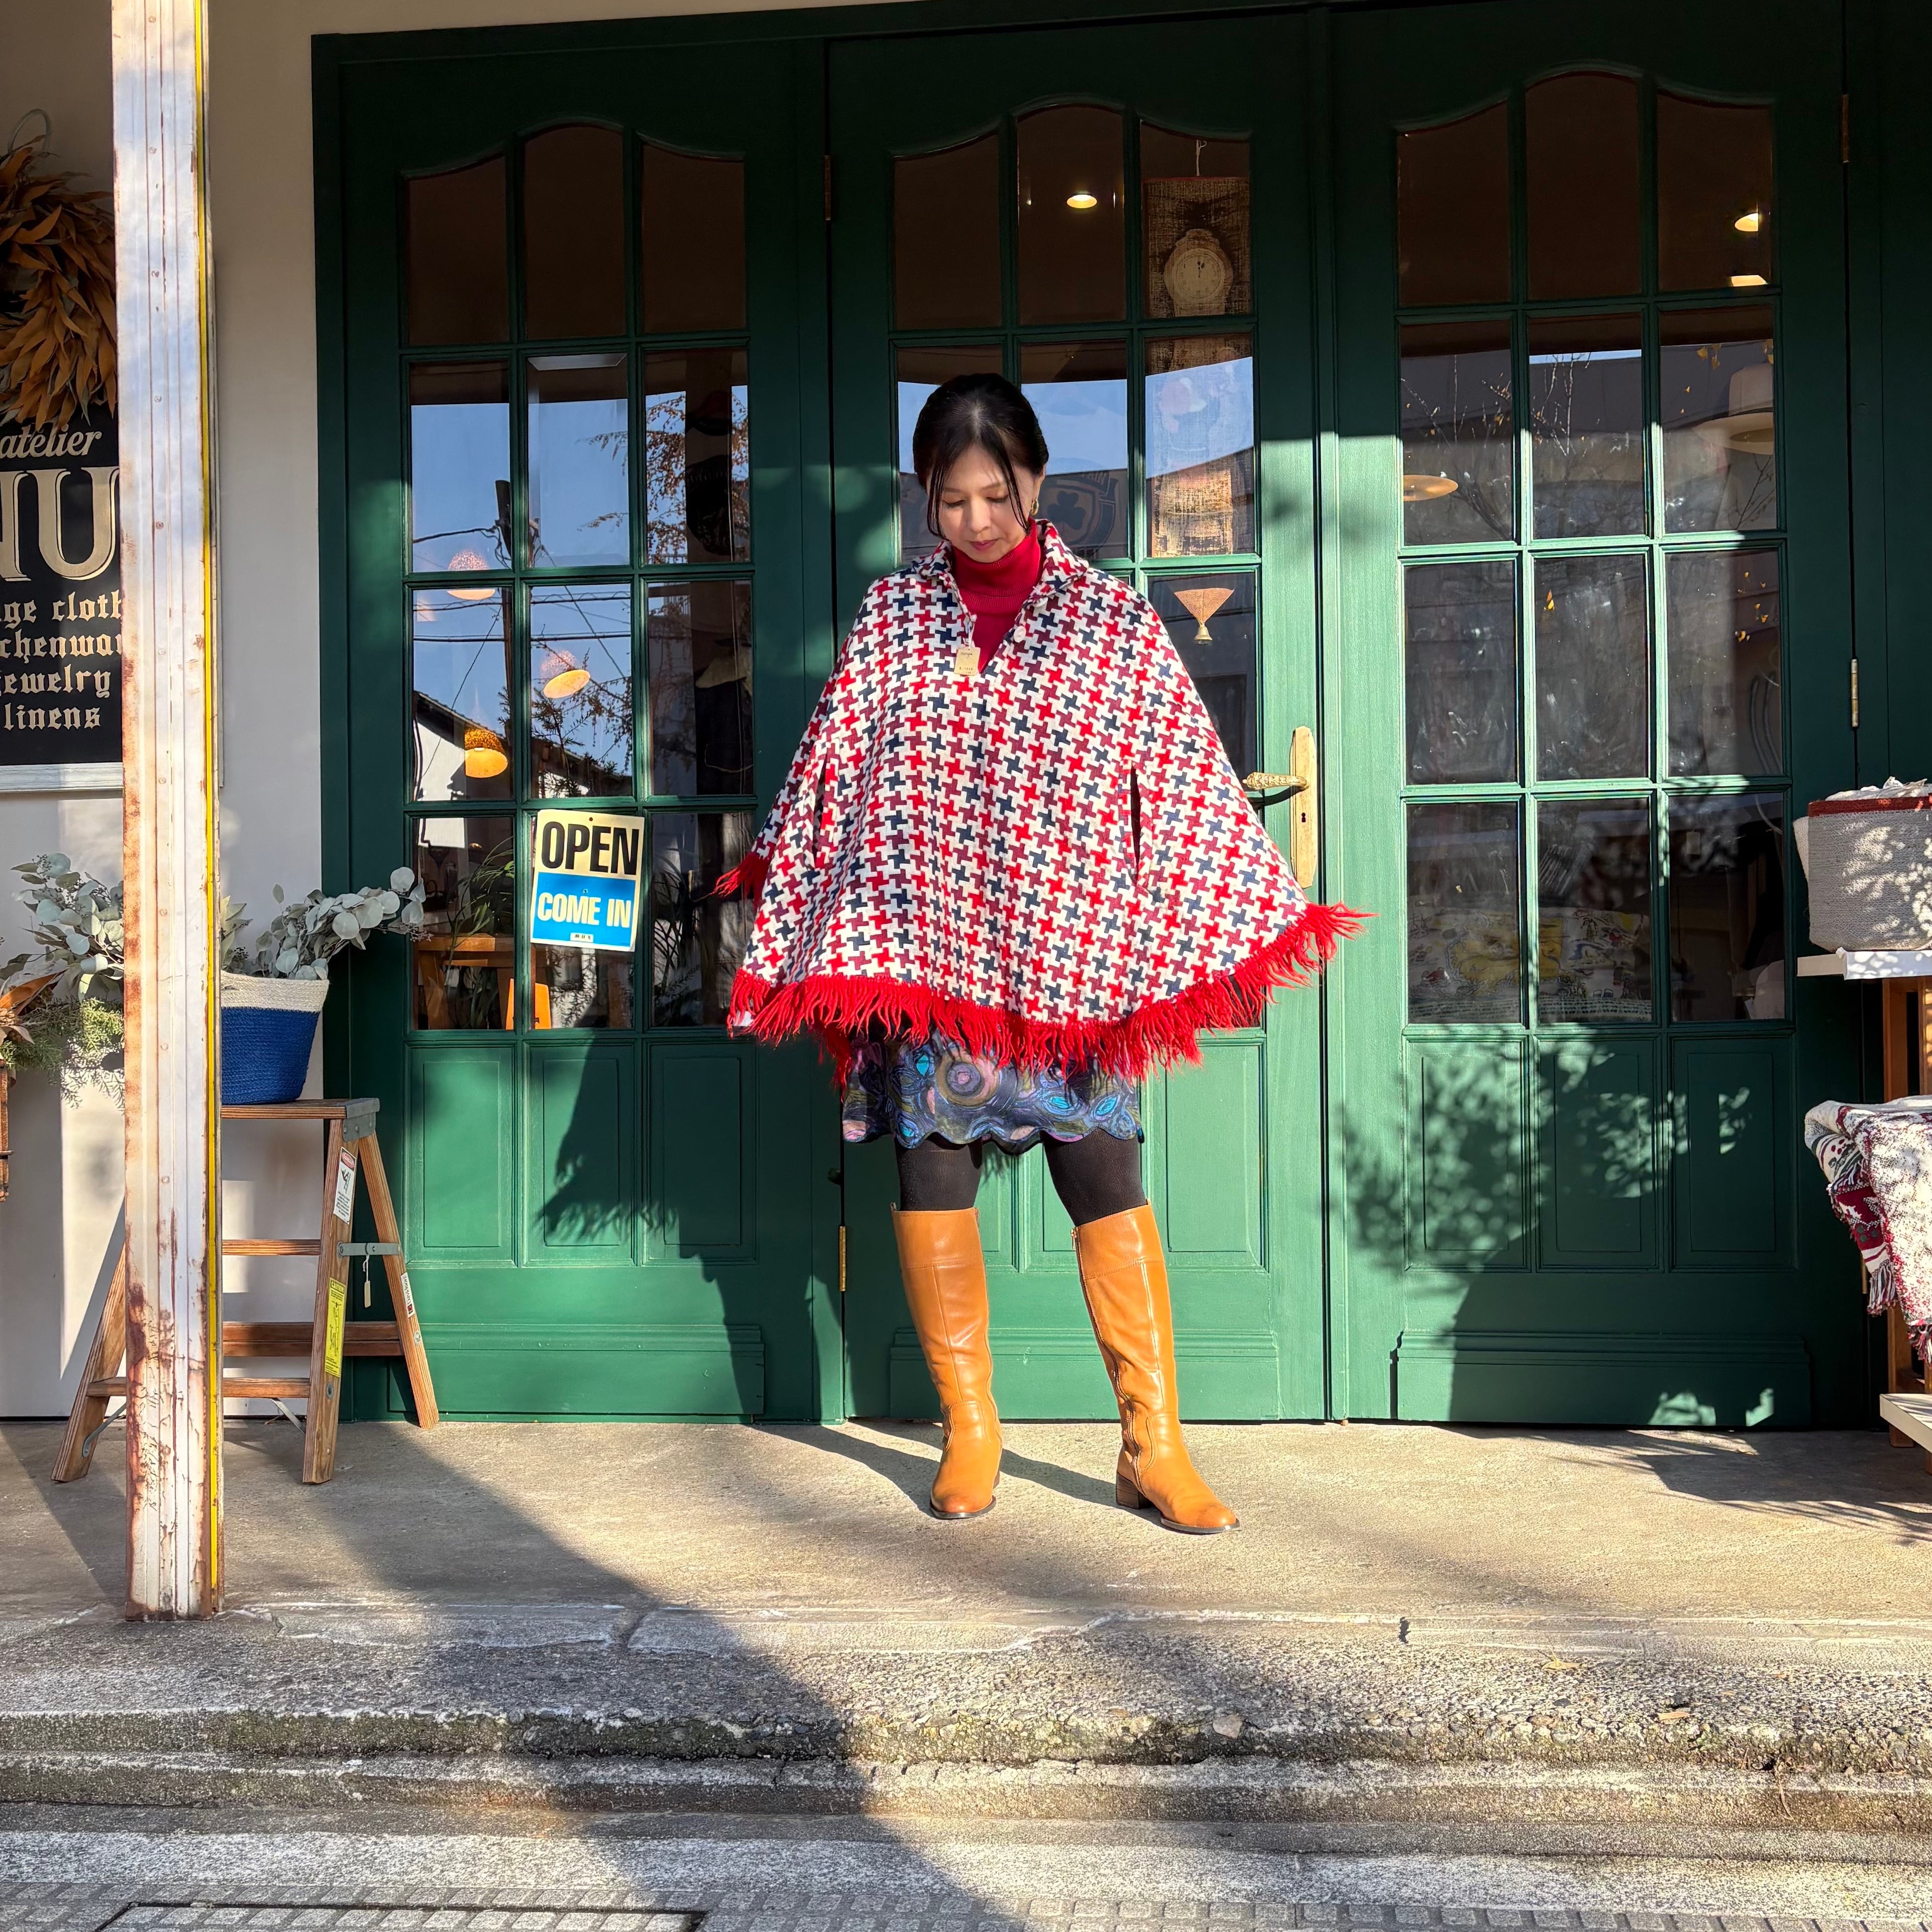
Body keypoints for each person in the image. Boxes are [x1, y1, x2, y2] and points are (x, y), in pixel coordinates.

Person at [719, 374, 1356, 1533]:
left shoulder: (1109, 619)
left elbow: (1181, 774)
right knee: (931, 1175)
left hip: (1075, 961)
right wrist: (796, 893)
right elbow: (837, 773)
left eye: (995, 494)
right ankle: (972, 1431)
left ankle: (1152, 1445)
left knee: (1104, 1177)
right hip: (930, 957)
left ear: (1036, 480)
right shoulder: (895, 618)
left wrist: (1240, 901)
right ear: (925, 495)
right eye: (951, 498)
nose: (974, 520)